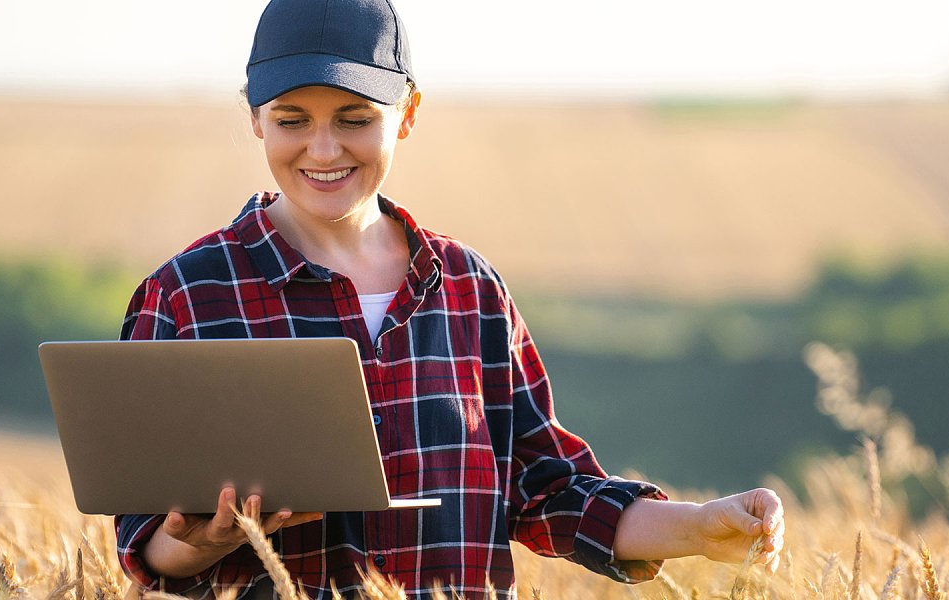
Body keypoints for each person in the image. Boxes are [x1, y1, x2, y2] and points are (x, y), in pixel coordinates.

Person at [113, 0, 785, 597]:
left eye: (354, 118)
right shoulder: (187, 296)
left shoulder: (471, 289)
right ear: (255, 117)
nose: (323, 148)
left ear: (407, 114)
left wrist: (698, 528)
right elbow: (144, 539)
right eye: (293, 119)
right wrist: (204, 541)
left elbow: (548, 493)